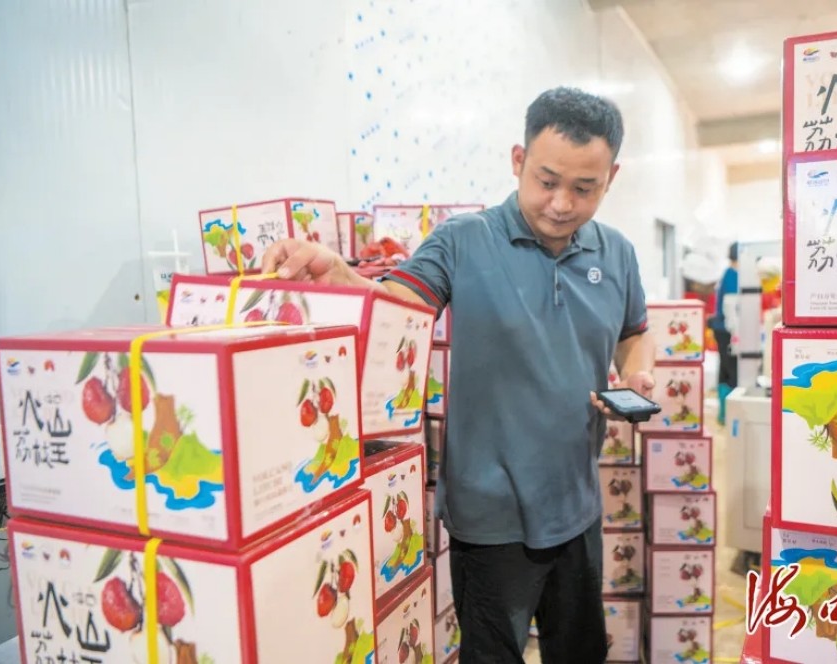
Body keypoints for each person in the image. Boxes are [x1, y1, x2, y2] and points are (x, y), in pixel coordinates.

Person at [262, 87, 656, 663]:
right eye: (547, 181)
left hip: (577, 502)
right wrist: (340, 277)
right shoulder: (463, 240)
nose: (561, 204)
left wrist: (637, 374)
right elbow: (397, 305)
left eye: (584, 188)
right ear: (518, 160)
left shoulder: (616, 252)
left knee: (580, 653)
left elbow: (634, 332)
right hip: (489, 514)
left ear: (611, 178)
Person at [708, 241, 739, 425]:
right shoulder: (733, 275)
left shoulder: (728, 273)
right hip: (727, 331)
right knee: (731, 372)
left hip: (723, 329)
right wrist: (737, 334)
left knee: (725, 370)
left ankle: (724, 412)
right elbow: (731, 308)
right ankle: (729, 413)